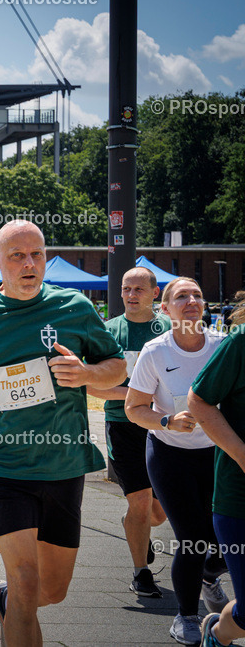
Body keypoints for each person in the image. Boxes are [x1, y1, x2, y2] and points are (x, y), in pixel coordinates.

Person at [0, 220, 126, 647]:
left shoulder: (73, 307)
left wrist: (87, 373)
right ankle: (13, 597)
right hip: (1, 465)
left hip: (63, 464)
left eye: (36, 254)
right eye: (17, 256)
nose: (29, 263)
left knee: (50, 592)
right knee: (24, 579)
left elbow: (117, 366)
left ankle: (3, 599)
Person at [126, 277, 229, 645]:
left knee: (225, 539)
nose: (191, 301)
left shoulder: (223, 346)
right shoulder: (155, 352)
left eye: (198, 295)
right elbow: (134, 409)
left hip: (218, 453)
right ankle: (186, 616)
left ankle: (207, 576)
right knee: (192, 538)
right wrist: (167, 421)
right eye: (181, 296)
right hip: (169, 455)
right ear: (165, 309)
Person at [87, 267, 170, 597]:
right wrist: (134, 394)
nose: (131, 295)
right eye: (126, 289)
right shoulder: (109, 333)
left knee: (159, 513)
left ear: (155, 292)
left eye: (138, 289)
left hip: (162, 428)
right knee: (138, 502)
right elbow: (94, 387)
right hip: (122, 427)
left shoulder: (169, 331)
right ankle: (141, 571)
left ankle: (140, 534)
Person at [190, 303, 245, 647]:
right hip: (239, 496)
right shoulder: (240, 343)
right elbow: (199, 401)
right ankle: (216, 632)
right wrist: (242, 455)